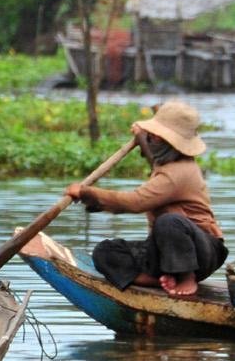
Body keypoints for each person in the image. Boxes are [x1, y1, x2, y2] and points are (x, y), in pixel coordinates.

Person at [65, 100, 226, 297]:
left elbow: (135, 202)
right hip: (166, 253)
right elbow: (155, 162)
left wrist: (86, 193)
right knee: (105, 252)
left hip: (201, 252)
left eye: (154, 138)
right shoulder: (167, 165)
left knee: (169, 222)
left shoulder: (180, 172)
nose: (150, 140)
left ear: (165, 142)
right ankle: (155, 280)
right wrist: (142, 137)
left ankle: (186, 277)